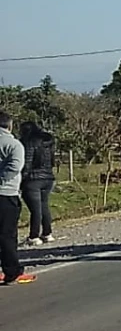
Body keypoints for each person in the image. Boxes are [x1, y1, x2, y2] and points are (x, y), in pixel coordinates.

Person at [0, 113, 34, 284]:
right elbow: (15, 166)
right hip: (6, 193)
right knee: (7, 234)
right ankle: (12, 271)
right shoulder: (14, 144)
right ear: (10, 125)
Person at [18, 122, 56, 245]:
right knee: (44, 206)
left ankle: (34, 236)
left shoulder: (29, 142)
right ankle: (47, 233)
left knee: (35, 209)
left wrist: (21, 179)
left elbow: (27, 163)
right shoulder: (47, 142)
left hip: (33, 179)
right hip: (48, 178)